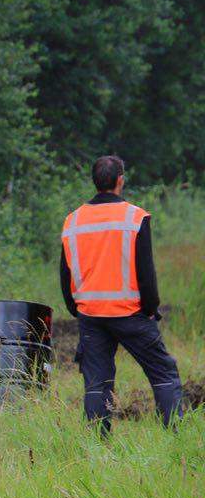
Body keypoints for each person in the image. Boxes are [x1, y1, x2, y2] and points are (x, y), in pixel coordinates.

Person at [61, 155, 183, 434]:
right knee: (164, 373)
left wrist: (77, 309)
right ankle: (176, 437)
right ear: (120, 181)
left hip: (90, 316)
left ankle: (96, 442)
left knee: (96, 383)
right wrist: (151, 308)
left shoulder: (73, 221)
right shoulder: (135, 217)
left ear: (95, 182)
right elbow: (146, 271)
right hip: (130, 313)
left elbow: (65, 273)